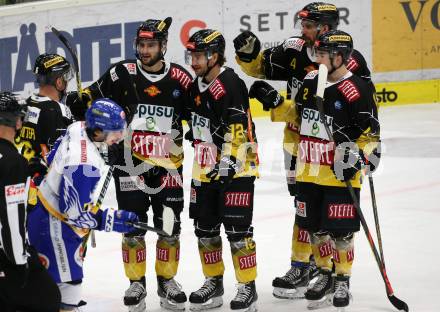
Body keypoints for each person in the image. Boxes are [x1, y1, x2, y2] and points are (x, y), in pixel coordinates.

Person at [233, 2, 375, 299]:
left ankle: (330, 271)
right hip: (298, 141)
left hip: (334, 148)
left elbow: (363, 113)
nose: (302, 30)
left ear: (325, 28)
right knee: (304, 206)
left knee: (333, 213)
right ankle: (303, 264)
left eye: (308, 25)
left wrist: (361, 156)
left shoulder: (352, 62)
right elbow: (261, 66)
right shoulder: (294, 49)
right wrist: (248, 57)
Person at [67, 17, 192, 312]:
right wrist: (79, 100)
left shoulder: (180, 79)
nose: (145, 50)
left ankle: (168, 281)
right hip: (128, 165)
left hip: (168, 167)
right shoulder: (121, 72)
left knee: (169, 227)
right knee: (132, 226)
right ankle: (136, 283)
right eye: (141, 45)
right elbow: (92, 97)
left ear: (163, 46)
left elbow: (200, 114)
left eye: (151, 45)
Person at [274, 30, 380, 310]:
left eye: (322, 55)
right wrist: (276, 104)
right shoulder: (311, 80)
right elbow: (297, 114)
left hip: (338, 176)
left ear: (340, 56)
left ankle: (342, 279)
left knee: (341, 233)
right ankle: (323, 274)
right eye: (317, 53)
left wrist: (355, 161)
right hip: (309, 170)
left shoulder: (356, 89)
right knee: (315, 229)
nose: (316, 59)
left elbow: (371, 138)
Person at [27, 98, 139, 311]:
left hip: (45, 214)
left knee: (50, 285)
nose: (119, 137)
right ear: (97, 131)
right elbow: (75, 214)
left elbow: (52, 159)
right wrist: (112, 220)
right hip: (54, 227)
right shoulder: (83, 163)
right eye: (115, 132)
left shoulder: (77, 126)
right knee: (68, 288)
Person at [185, 29, 259, 312]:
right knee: (205, 230)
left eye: (198, 55)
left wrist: (228, 163)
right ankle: (213, 282)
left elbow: (239, 129)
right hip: (204, 169)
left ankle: (247, 287)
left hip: (236, 169)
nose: (194, 60)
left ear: (214, 56)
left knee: (238, 231)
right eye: (191, 54)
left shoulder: (229, 83)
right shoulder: (197, 85)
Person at [0, 91, 61, 312]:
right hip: (7, 259)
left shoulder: (15, 163)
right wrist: (21, 263)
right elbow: (11, 218)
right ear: (17, 121)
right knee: (49, 299)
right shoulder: (13, 162)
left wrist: (28, 179)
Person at [15, 53, 75, 173]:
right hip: (46, 182)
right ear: (59, 82)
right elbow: (68, 154)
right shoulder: (61, 111)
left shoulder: (23, 105)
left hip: (23, 179)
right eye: (65, 77)